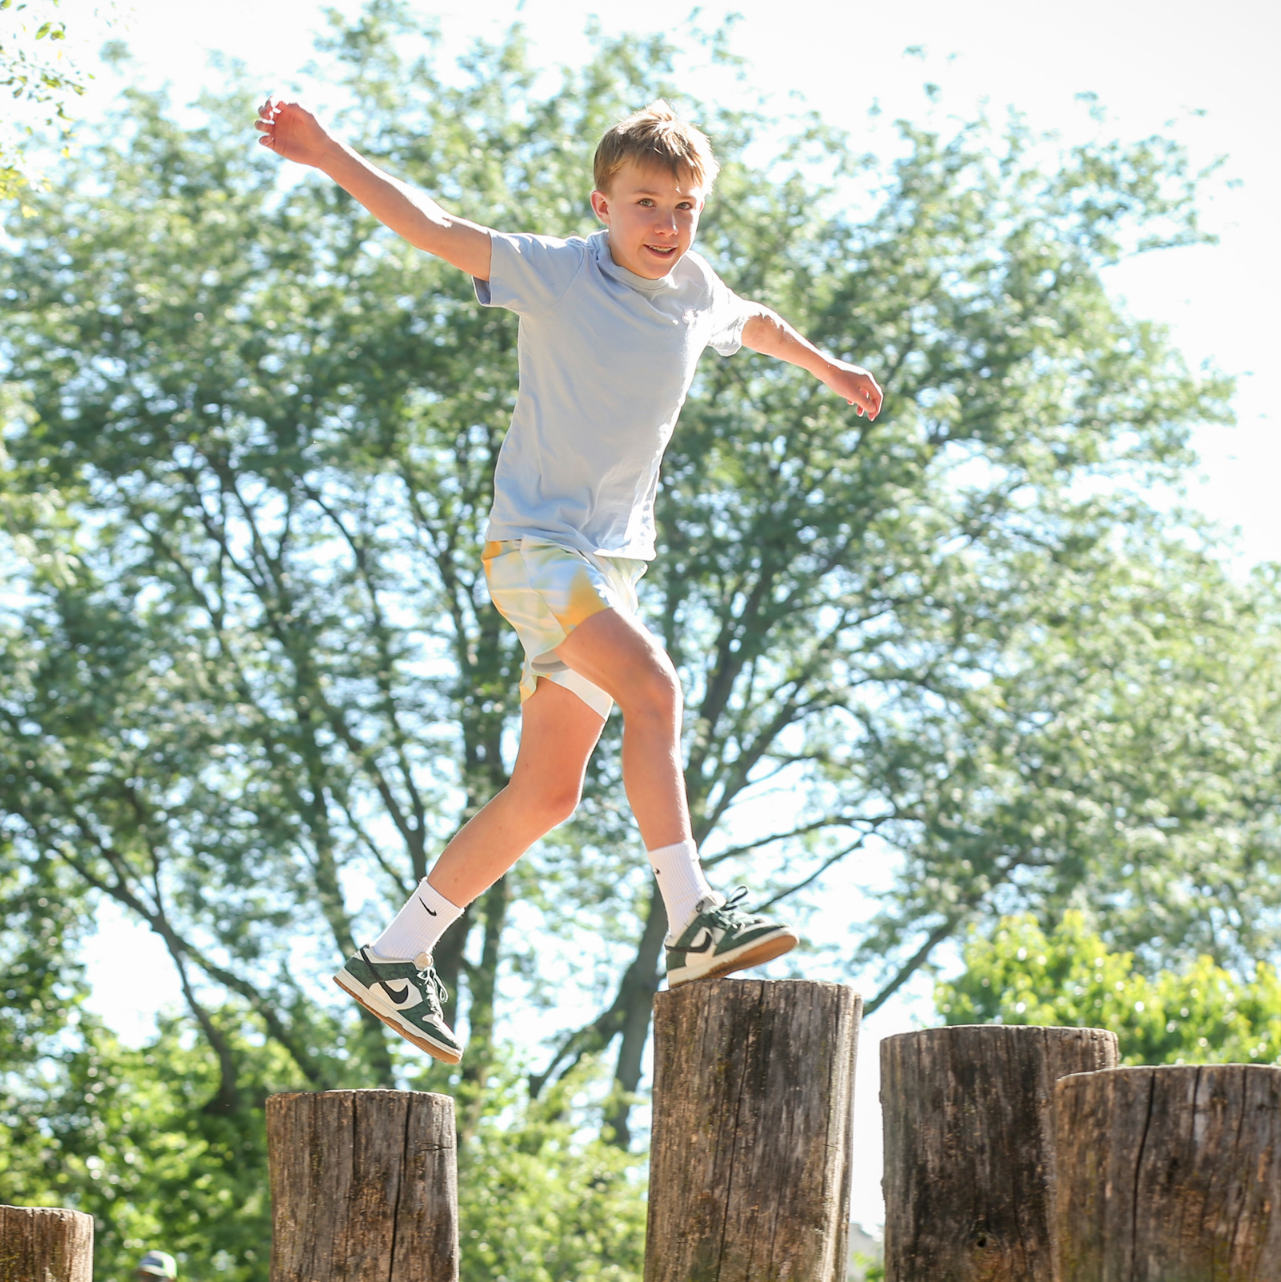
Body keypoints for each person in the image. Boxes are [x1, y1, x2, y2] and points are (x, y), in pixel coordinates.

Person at [254, 96, 883, 1064]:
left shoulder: (694, 288)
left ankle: (399, 950)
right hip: (538, 553)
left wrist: (828, 367)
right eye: (645, 205)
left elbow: (750, 322)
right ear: (601, 204)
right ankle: (693, 918)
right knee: (656, 688)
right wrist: (325, 150)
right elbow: (434, 227)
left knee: (549, 792)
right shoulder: (555, 275)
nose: (666, 228)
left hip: (607, 570)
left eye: (684, 209)